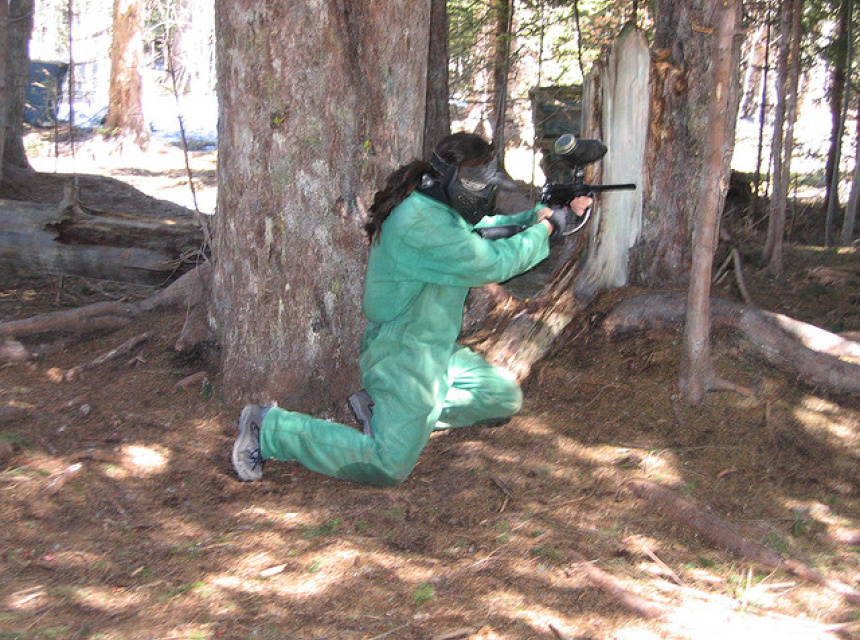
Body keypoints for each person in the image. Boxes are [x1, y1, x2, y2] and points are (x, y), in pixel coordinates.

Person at [231, 132, 592, 487]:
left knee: (502, 398)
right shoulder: (421, 222)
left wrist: (537, 217)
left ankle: (386, 412)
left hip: (435, 351)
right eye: (478, 185)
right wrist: (546, 228)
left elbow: (481, 231)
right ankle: (270, 429)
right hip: (402, 353)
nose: (484, 194)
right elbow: (491, 262)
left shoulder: (436, 206)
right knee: (387, 465)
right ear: (453, 179)